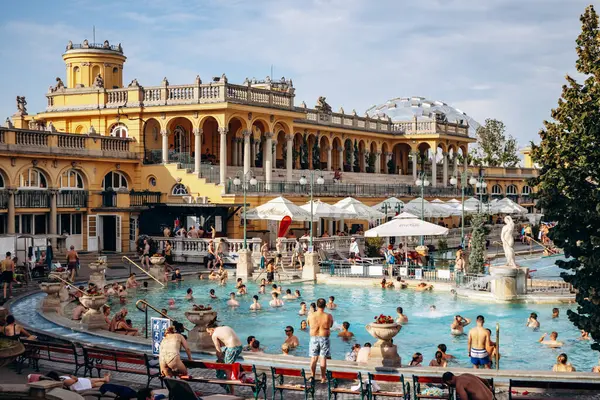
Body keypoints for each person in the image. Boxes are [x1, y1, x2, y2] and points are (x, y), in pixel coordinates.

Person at [307, 298, 333, 382]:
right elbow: (331, 325)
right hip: (324, 338)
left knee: (313, 358)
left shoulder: (311, 315)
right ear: (325, 305)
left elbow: (308, 324)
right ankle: (323, 378)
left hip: (314, 337)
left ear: (317, 305)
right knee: (323, 358)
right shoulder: (328, 316)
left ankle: (312, 376)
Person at [45, 371, 111, 392]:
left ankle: (105, 378)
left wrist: (70, 376)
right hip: (81, 384)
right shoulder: (65, 381)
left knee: (93, 380)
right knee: (96, 383)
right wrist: (72, 376)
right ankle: (105, 379)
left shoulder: (61, 379)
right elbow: (75, 380)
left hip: (82, 382)